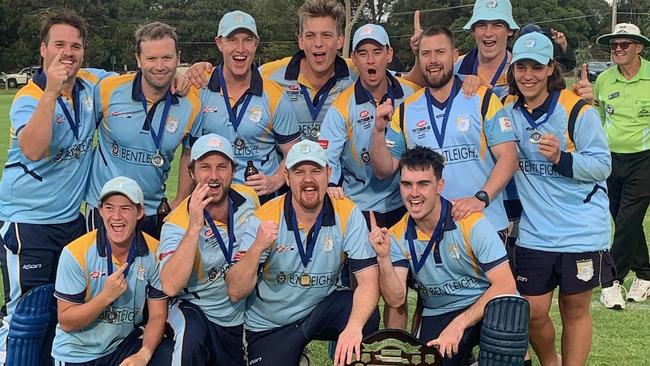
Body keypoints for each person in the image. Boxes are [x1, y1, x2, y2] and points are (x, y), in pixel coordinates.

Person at [0, 9, 114, 362]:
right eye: (60, 44)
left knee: (64, 309)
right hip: (28, 223)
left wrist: (188, 74)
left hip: (71, 224)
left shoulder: (92, 85)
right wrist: (52, 91)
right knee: (27, 316)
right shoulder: (29, 98)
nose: (68, 52)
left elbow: (136, 80)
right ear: (43, 50)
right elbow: (34, 149)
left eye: (76, 46)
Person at [503, 32, 614, 366]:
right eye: (521, 67)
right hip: (536, 232)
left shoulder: (578, 111)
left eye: (536, 67)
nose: (528, 75)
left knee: (575, 308)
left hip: (581, 230)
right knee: (532, 311)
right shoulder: (508, 112)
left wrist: (562, 160)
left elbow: (603, 165)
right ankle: (551, 361)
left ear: (551, 68)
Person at [226, 140, 380, 366]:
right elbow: (235, 290)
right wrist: (257, 247)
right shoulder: (264, 218)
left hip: (320, 307)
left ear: (328, 174)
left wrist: (354, 328)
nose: (308, 179)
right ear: (287, 178)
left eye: (315, 170)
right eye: (299, 172)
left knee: (365, 315)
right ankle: (295, 354)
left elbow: (368, 281)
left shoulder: (347, 211)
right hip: (272, 322)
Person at [370, 146, 515, 366]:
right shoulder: (396, 235)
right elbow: (396, 299)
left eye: (423, 184)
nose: (414, 193)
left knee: (510, 319)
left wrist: (459, 324)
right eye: (407, 184)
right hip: (438, 310)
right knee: (427, 361)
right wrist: (383, 257)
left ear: (440, 186)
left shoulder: (469, 222)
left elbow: (505, 284)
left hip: (484, 306)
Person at [370, 25, 518, 237]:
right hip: (431, 232)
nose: (432, 60)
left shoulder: (483, 98)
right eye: (425, 53)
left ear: (455, 56)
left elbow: (509, 158)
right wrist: (377, 131)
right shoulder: (406, 110)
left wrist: (480, 198)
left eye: (440, 52)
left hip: (485, 225)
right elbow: (384, 170)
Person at [319, 23, 418, 329]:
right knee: (363, 288)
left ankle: (395, 354)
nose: (371, 60)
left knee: (399, 292)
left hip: (406, 205)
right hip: (360, 210)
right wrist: (332, 185)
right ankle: (357, 352)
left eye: (377, 52)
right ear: (354, 59)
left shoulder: (412, 96)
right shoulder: (341, 106)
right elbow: (326, 158)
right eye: (363, 53)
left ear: (389, 54)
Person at [85, 22, 202, 238]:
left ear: (178, 57)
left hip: (153, 211)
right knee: (103, 272)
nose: (160, 66)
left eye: (167, 58)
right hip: (106, 209)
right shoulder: (108, 90)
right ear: (138, 59)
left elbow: (189, 153)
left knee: (148, 272)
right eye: (151, 59)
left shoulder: (191, 103)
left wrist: (179, 200)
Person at [185, 0, 357, 142]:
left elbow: (379, 72)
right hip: (289, 176)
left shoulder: (356, 73)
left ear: (340, 40)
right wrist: (197, 69)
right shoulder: (271, 73)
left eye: (326, 35)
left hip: (336, 178)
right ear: (301, 41)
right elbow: (235, 72)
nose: (318, 43)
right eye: (310, 35)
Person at [177, 11, 300, 205]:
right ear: (219, 43)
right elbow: (189, 152)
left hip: (261, 202)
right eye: (232, 40)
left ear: (256, 43)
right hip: (212, 201)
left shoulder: (275, 96)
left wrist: (275, 181)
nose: (240, 48)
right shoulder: (200, 89)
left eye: (247, 40)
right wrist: (180, 201)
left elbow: (293, 151)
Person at [158, 133, 260, 365]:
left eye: (222, 167)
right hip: (195, 308)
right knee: (189, 341)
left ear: (233, 171)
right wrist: (194, 227)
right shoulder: (177, 222)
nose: (214, 177)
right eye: (205, 167)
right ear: (192, 173)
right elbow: (171, 286)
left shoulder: (250, 200)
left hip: (238, 311)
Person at [52, 177, 171, 365]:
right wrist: (105, 297)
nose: (116, 216)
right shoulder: (76, 253)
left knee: (168, 354)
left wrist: (144, 353)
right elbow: (66, 321)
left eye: (125, 208)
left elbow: (157, 314)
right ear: (100, 210)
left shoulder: (155, 252)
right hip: (78, 353)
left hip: (123, 345)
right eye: (109, 207)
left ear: (140, 212)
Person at [594, 23, 650, 309]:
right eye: (613, 45)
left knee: (628, 220)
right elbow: (602, 116)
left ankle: (610, 280)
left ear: (639, 47)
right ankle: (645, 274)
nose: (617, 49)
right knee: (623, 218)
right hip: (611, 159)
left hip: (645, 159)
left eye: (624, 44)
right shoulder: (603, 79)